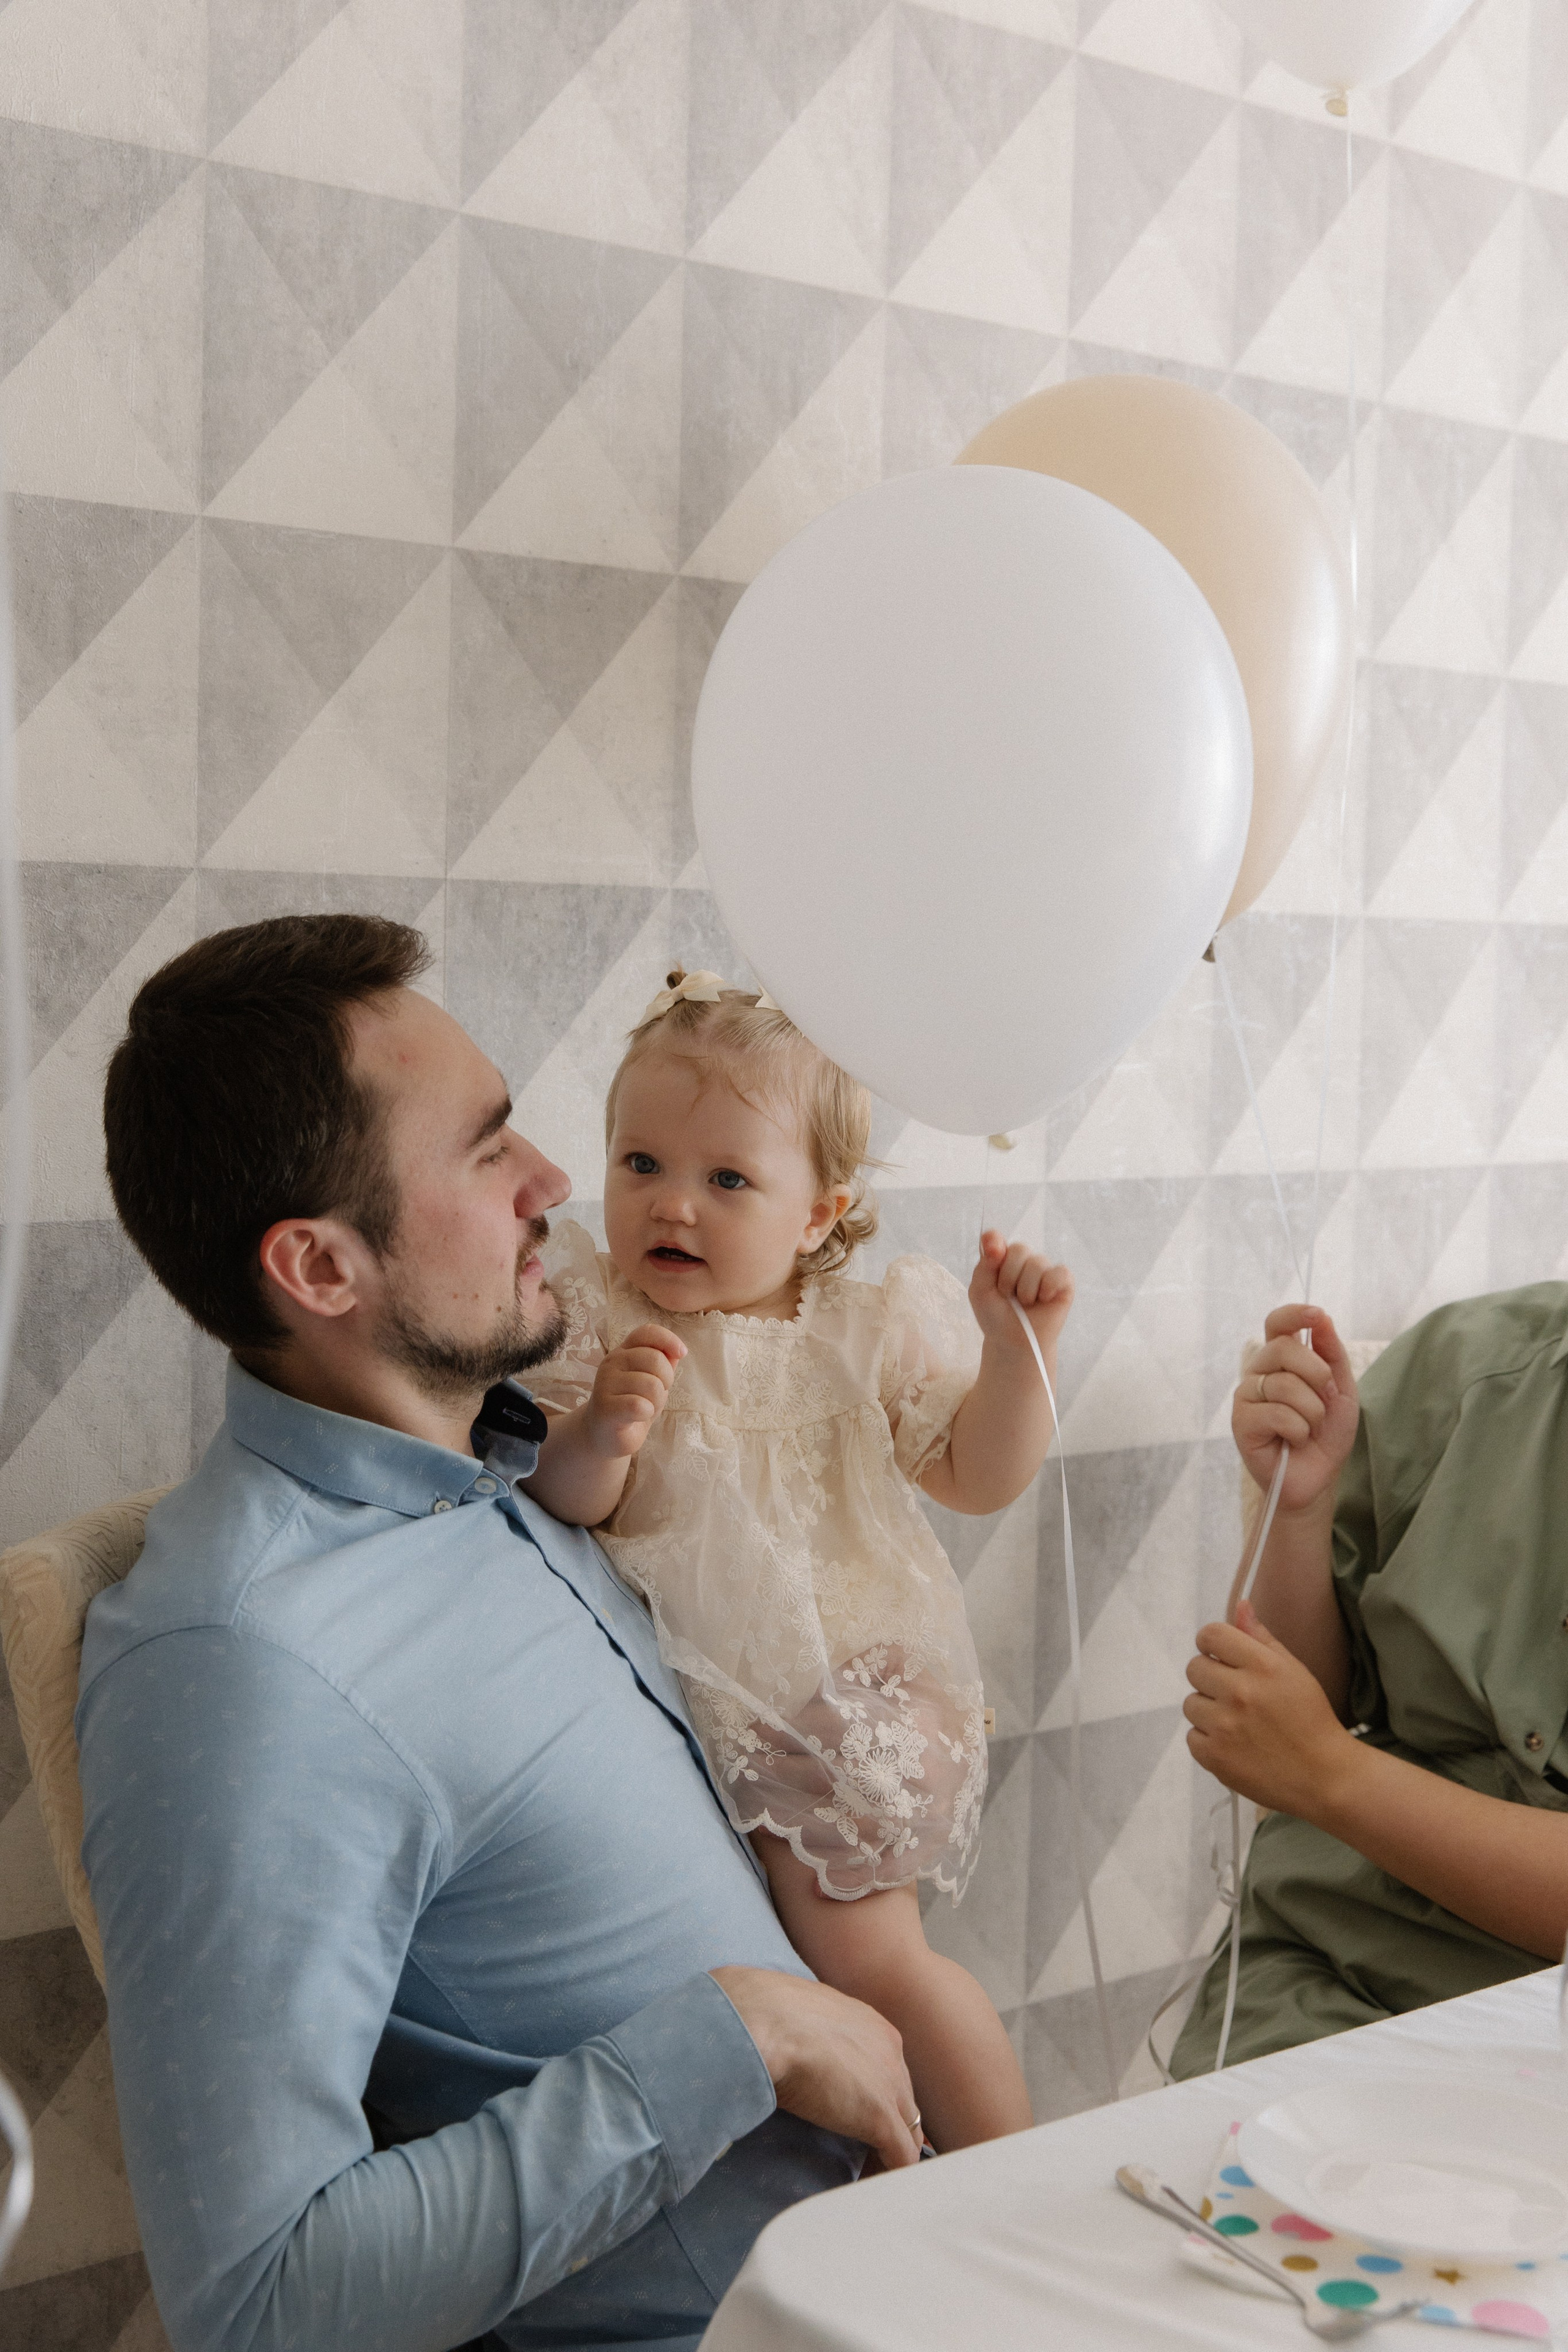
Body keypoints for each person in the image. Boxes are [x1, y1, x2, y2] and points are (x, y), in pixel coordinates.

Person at [83, 914, 925, 2352]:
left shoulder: (516, 1469)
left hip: (899, 2267)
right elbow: (257, 2302)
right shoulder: (242, 1671)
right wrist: (738, 2034)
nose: (551, 1179)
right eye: (484, 1152)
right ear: (322, 1269)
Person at [519, 968, 1074, 2150]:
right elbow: (558, 1499)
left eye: (728, 1180)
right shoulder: (604, 1319)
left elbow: (977, 1474)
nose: (674, 1206)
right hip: (754, 1699)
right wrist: (601, 1434)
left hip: (850, 1695)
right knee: (810, 1978)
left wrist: (1017, 1357)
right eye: (641, 1164)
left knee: (876, 1967)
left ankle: (1006, 2172)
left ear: (818, 1215)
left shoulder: (862, 1332)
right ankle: (899, 2177)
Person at [1171, 1294, 1568, 2076]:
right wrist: (1297, 1512)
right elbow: (1296, 1697)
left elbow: (1305, 1754)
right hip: (1324, 1972)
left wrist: (1330, 1773)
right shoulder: (1463, 1366)